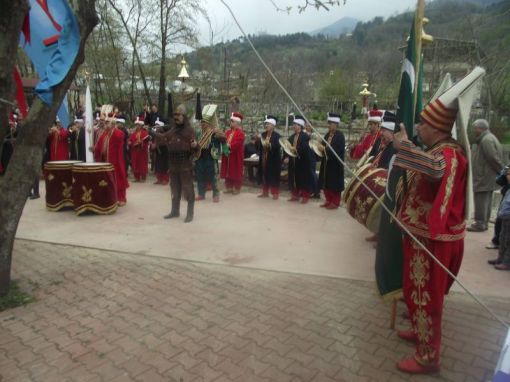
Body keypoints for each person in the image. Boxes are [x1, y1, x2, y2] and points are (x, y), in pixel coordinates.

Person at [391, 68, 483, 374]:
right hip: (422, 238)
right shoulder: (438, 149)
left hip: (433, 241)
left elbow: (433, 170)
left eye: (423, 123)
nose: (419, 126)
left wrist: (404, 146)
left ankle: (428, 357)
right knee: (417, 293)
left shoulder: (449, 153)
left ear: (435, 127)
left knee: (427, 298)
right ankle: (420, 336)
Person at [159, 104, 199, 223]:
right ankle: (175, 211)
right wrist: (154, 133)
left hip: (185, 164)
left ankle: (190, 213)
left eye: (179, 115)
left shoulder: (189, 131)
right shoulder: (172, 130)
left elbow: (196, 147)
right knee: (174, 188)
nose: (176, 117)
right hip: (173, 164)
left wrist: (195, 145)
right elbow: (163, 138)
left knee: (187, 188)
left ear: (184, 116)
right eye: (175, 115)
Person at [467, 119, 504, 232]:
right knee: (485, 199)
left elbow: (492, 158)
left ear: (480, 128)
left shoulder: (486, 140)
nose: (474, 130)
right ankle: (483, 223)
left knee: (481, 199)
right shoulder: (489, 138)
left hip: (484, 176)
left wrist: (501, 171)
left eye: (475, 128)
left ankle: (480, 223)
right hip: (487, 175)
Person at [94, 115, 129, 206]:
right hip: (106, 161)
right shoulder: (105, 134)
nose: (105, 125)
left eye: (107, 123)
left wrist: (113, 128)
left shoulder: (118, 133)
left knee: (118, 179)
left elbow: (121, 136)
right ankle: (112, 197)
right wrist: (94, 149)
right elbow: (99, 145)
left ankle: (121, 198)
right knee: (108, 181)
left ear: (112, 124)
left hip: (116, 161)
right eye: (105, 123)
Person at [195, 104, 226, 202]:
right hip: (200, 156)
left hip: (211, 156)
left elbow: (224, 142)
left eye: (204, 122)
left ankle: (216, 195)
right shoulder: (199, 132)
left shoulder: (215, 132)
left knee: (213, 176)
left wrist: (221, 137)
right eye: (202, 122)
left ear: (209, 123)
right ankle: (201, 194)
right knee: (200, 175)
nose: (202, 124)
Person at [318, 112, 345, 209]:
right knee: (326, 182)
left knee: (334, 183)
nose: (329, 125)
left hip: (335, 164)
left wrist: (324, 149)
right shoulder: (327, 135)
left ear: (336, 124)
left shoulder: (340, 136)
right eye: (328, 123)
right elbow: (323, 146)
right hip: (326, 163)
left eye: (331, 123)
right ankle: (328, 200)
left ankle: (335, 202)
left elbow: (336, 149)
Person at [285, 115, 312, 203]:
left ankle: (305, 196)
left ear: (300, 126)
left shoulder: (305, 137)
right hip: (293, 162)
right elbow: (287, 147)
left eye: (296, 124)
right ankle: (295, 195)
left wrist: (295, 150)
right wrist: (286, 156)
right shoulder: (291, 137)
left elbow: (304, 148)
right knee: (293, 178)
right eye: (293, 124)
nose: (294, 126)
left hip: (302, 162)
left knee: (303, 179)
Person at [488, 166, 510, 270]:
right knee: (502, 236)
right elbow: (500, 180)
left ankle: (507, 262)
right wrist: (505, 173)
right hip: (505, 212)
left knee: (508, 239)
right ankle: (500, 258)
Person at [257, 115, 282, 200]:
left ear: (273, 125)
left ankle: (275, 193)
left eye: (268, 124)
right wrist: (258, 141)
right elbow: (259, 147)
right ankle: (265, 192)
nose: (266, 125)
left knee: (273, 176)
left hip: (273, 160)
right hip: (264, 158)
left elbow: (277, 146)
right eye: (266, 124)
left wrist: (270, 145)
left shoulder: (277, 136)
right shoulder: (263, 134)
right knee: (264, 174)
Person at [220, 112, 245, 194]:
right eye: (230, 121)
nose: (230, 123)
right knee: (228, 171)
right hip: (227, 155)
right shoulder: (227, 132)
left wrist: (229, 146)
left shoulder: (240, 133)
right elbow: (223, 141)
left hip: (235, 155)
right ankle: (229, 187)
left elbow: (238, 143)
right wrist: (224, 147)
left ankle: (237, 188)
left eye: (232, 121)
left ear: (237, 123)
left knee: (236, 171)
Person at [128, 116, 149, 182]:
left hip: (142, 151)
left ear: (141, 125)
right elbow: (130, 141)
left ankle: (143, 177)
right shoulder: (133, 134)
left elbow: (146, 141)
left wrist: (141, 142)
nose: (137, 126)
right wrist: (130, 143)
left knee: (142, 164)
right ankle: (136, 177)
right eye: (136, 125)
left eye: (138, 125)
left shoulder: (145, 133)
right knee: (135, 163)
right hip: (134, 151)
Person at [152, 118, 170, 185]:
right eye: (155, 125)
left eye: (157, 126)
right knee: (158, 165)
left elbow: (165, 142)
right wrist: (153, 145)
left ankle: (165, 179)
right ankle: (159, 179)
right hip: (158, 151)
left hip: (165, 150)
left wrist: (157, 144)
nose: (156, 127)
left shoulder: (165, 133)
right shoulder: (155, 134)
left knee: (164, 166)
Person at [305, 123, 321, 199]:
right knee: (306, 173)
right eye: (306, 125)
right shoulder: (303, 133)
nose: (307, 127)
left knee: (312, 173)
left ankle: (316, 191)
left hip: (312, 155)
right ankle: (309, 190)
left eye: (309, 125)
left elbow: (316, 144)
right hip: (305, 155)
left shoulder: (314, 135)